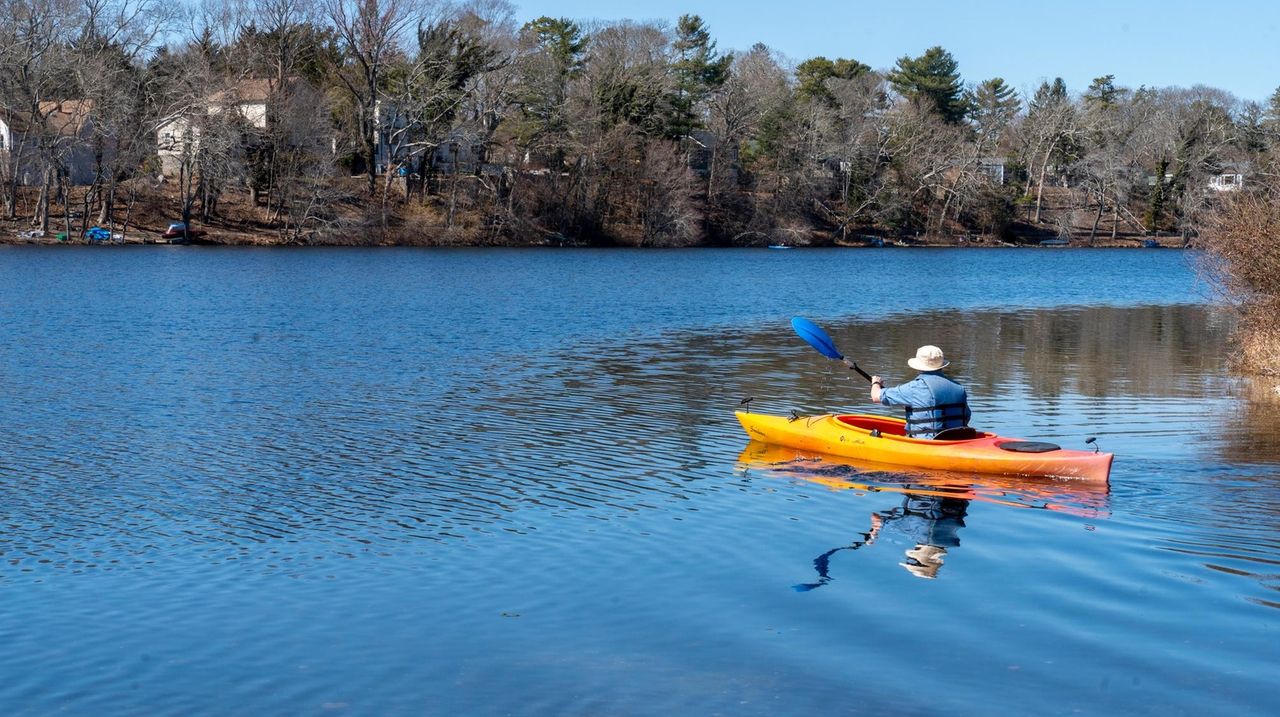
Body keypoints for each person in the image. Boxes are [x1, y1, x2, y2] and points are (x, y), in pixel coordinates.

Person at [870, 345, 971, 439]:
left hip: (926, 443)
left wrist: (875, 383)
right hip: (958, 440)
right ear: (942, 365)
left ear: (918, 366)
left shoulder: (913, 388)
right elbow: (966, 417)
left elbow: (875, 396)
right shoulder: (959, 387)